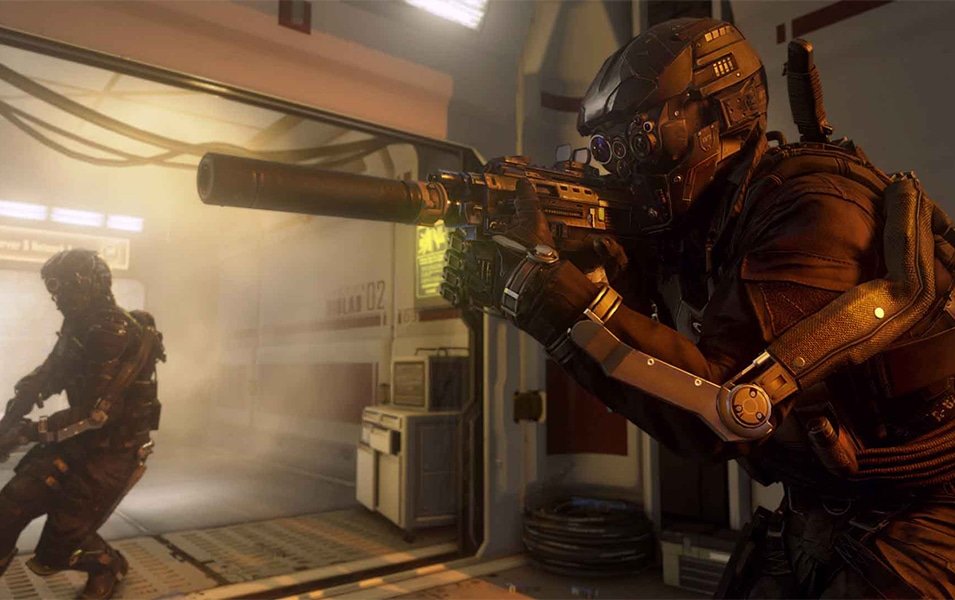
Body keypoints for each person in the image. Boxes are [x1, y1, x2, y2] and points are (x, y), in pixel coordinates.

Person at [442, 17, 955, 598]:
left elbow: (729, 409)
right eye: (608, 147)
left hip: (926, 516)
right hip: (823, 505)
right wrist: (581, 267)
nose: (623, 165)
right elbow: (653, 344)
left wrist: (549, 295)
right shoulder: (703, 231)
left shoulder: (816, 210)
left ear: (716, 117)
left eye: (641, 138)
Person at [0, 249, 164, 599]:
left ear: (88, 284)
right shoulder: (81, 323)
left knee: (59, 548)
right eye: (52, 288)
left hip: (112, 452)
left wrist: (25, 432)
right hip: (79, 442)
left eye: (62, 287)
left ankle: (109, 566)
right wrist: (13, 413)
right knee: (8, 509)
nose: (56, 297)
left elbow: (96, 414)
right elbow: (50, 373)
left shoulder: (112, 331)